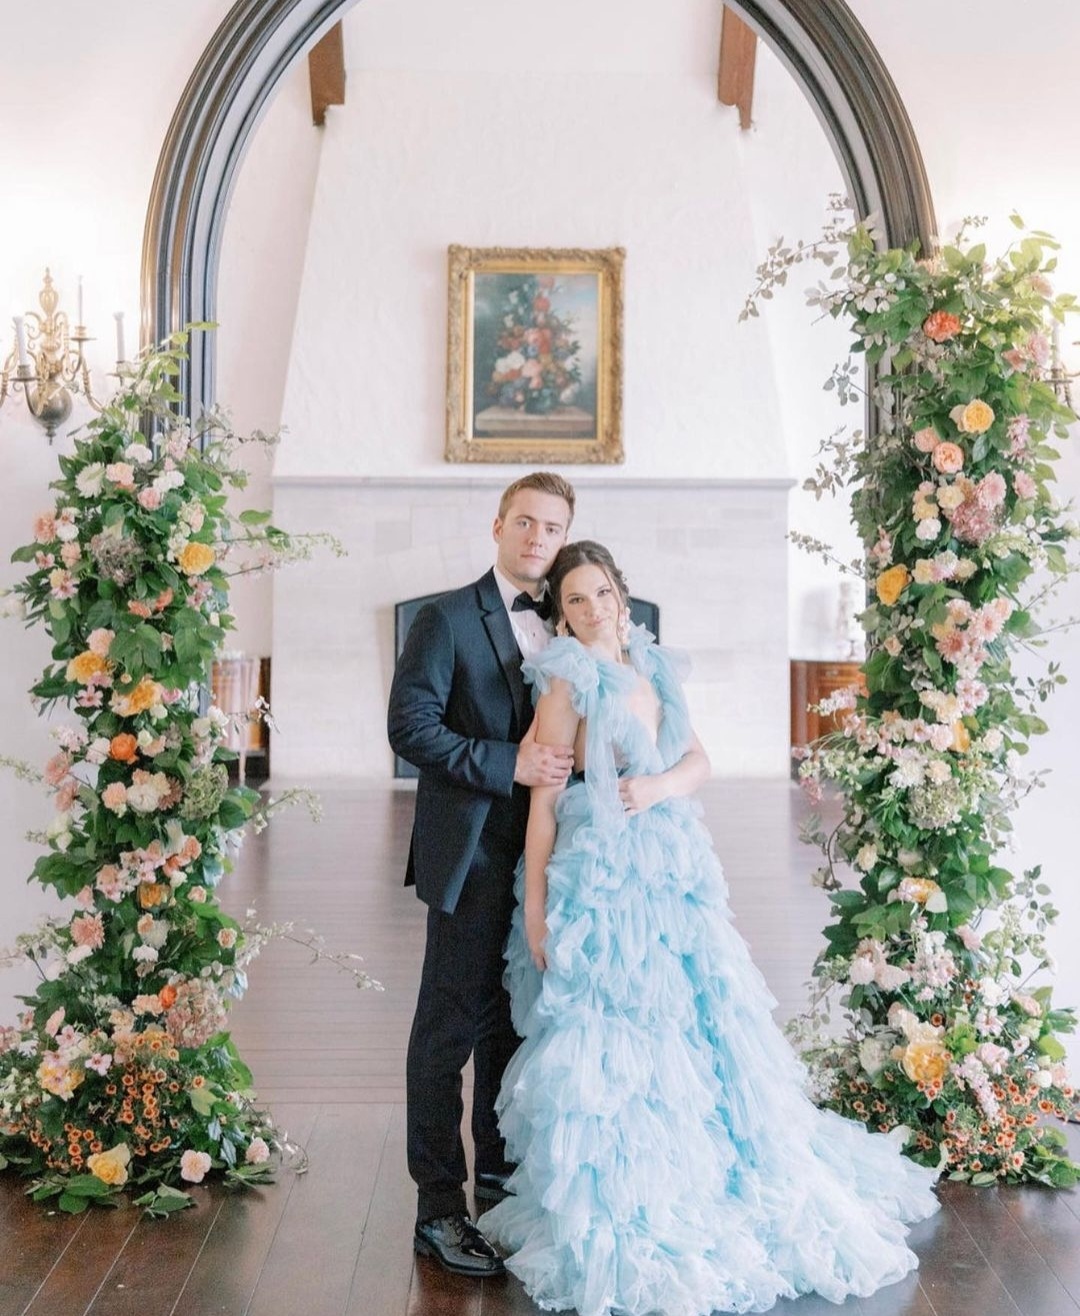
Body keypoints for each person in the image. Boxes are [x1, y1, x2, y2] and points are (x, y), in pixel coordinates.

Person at [478, 541, 941, 1316]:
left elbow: (699, 761)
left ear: (623, 598)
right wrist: (533, 909)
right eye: (576, 599)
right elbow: (545, 804)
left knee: (697, 1016)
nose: (592, 609)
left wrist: (657, 785)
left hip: (672, 862)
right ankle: (628, 1183)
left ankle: (707, 1159)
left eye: (602, 594)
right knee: (614, 1028)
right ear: (561, 613)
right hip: (599, 877)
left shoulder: (657, 670)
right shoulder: (566, 682)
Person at [387, 472, 577, 1278]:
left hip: (550, 866)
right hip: (471, 857)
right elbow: (409, 728)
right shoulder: (445, 618)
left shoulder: (571, 625)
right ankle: (437, 1207)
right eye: (525, 522)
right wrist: (512, 762)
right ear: (498, 525)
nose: (537, 538)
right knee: (447, 1031)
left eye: (553, 527)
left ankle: (498, 1181)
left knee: (513, 1025)